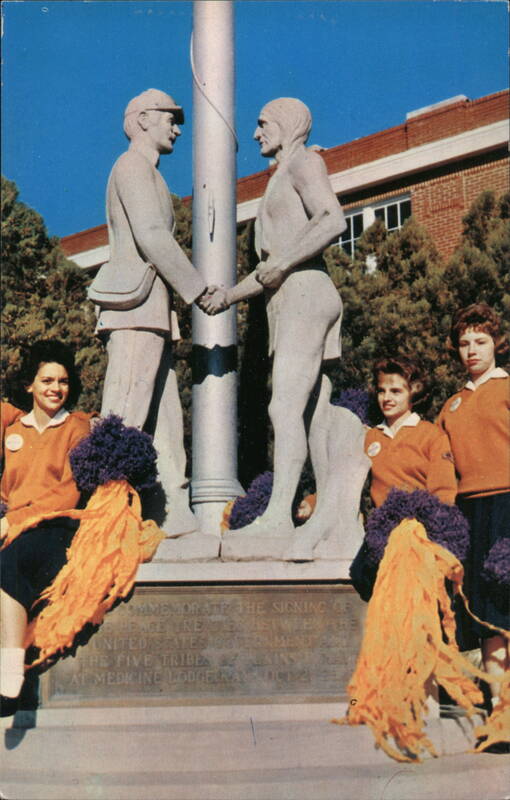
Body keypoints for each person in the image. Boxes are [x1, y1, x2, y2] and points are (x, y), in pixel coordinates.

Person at [202, 97, 346, 537]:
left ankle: (278, 514)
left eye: (263, 123)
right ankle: (331, 513)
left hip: (303, 291)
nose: (255, 133)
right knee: (313, 414)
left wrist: (282, 263)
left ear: (286, 124)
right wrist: (228, 297)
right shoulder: (282, 174)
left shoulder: (305, 163)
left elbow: (332, 219)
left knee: (284, 407)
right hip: (293, 292)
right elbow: (269, 269)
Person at [92, 88, 210, 536]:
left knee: (164, 420)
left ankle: (173, 510)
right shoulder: (132, 166)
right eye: (169, 117)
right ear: (141, 119)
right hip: (134, 310)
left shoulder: (149, 172)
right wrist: (199, 290)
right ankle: (102, 521)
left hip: (153, 311)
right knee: (125, 414)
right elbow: (152, 236)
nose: (177, 127)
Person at [0, 340, 92, 715]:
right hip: (11, 523)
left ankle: (9, 672)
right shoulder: (11, 426)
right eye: (47, 380)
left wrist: (12, 520)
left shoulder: (77, 427)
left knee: (9, 562)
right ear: (29, 385)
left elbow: (67, 495)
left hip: (55, 529)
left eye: (63, 381)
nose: (56, 388)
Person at [438, 303, 509, 713]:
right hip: (469, 512)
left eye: (480, 341)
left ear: (495, 343)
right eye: (464, 343)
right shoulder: (450, 407)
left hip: (508, 503)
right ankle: (499, 703)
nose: (472, 350)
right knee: (483, 608)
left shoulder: (506, 389)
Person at [366, 357, 457, 508]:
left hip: (421, 523)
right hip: (381, 524)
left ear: (413, 392)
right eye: (382, 391)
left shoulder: (432, 435)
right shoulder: (370, 437)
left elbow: (444, 492)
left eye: (396, 391)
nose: (386, 398)